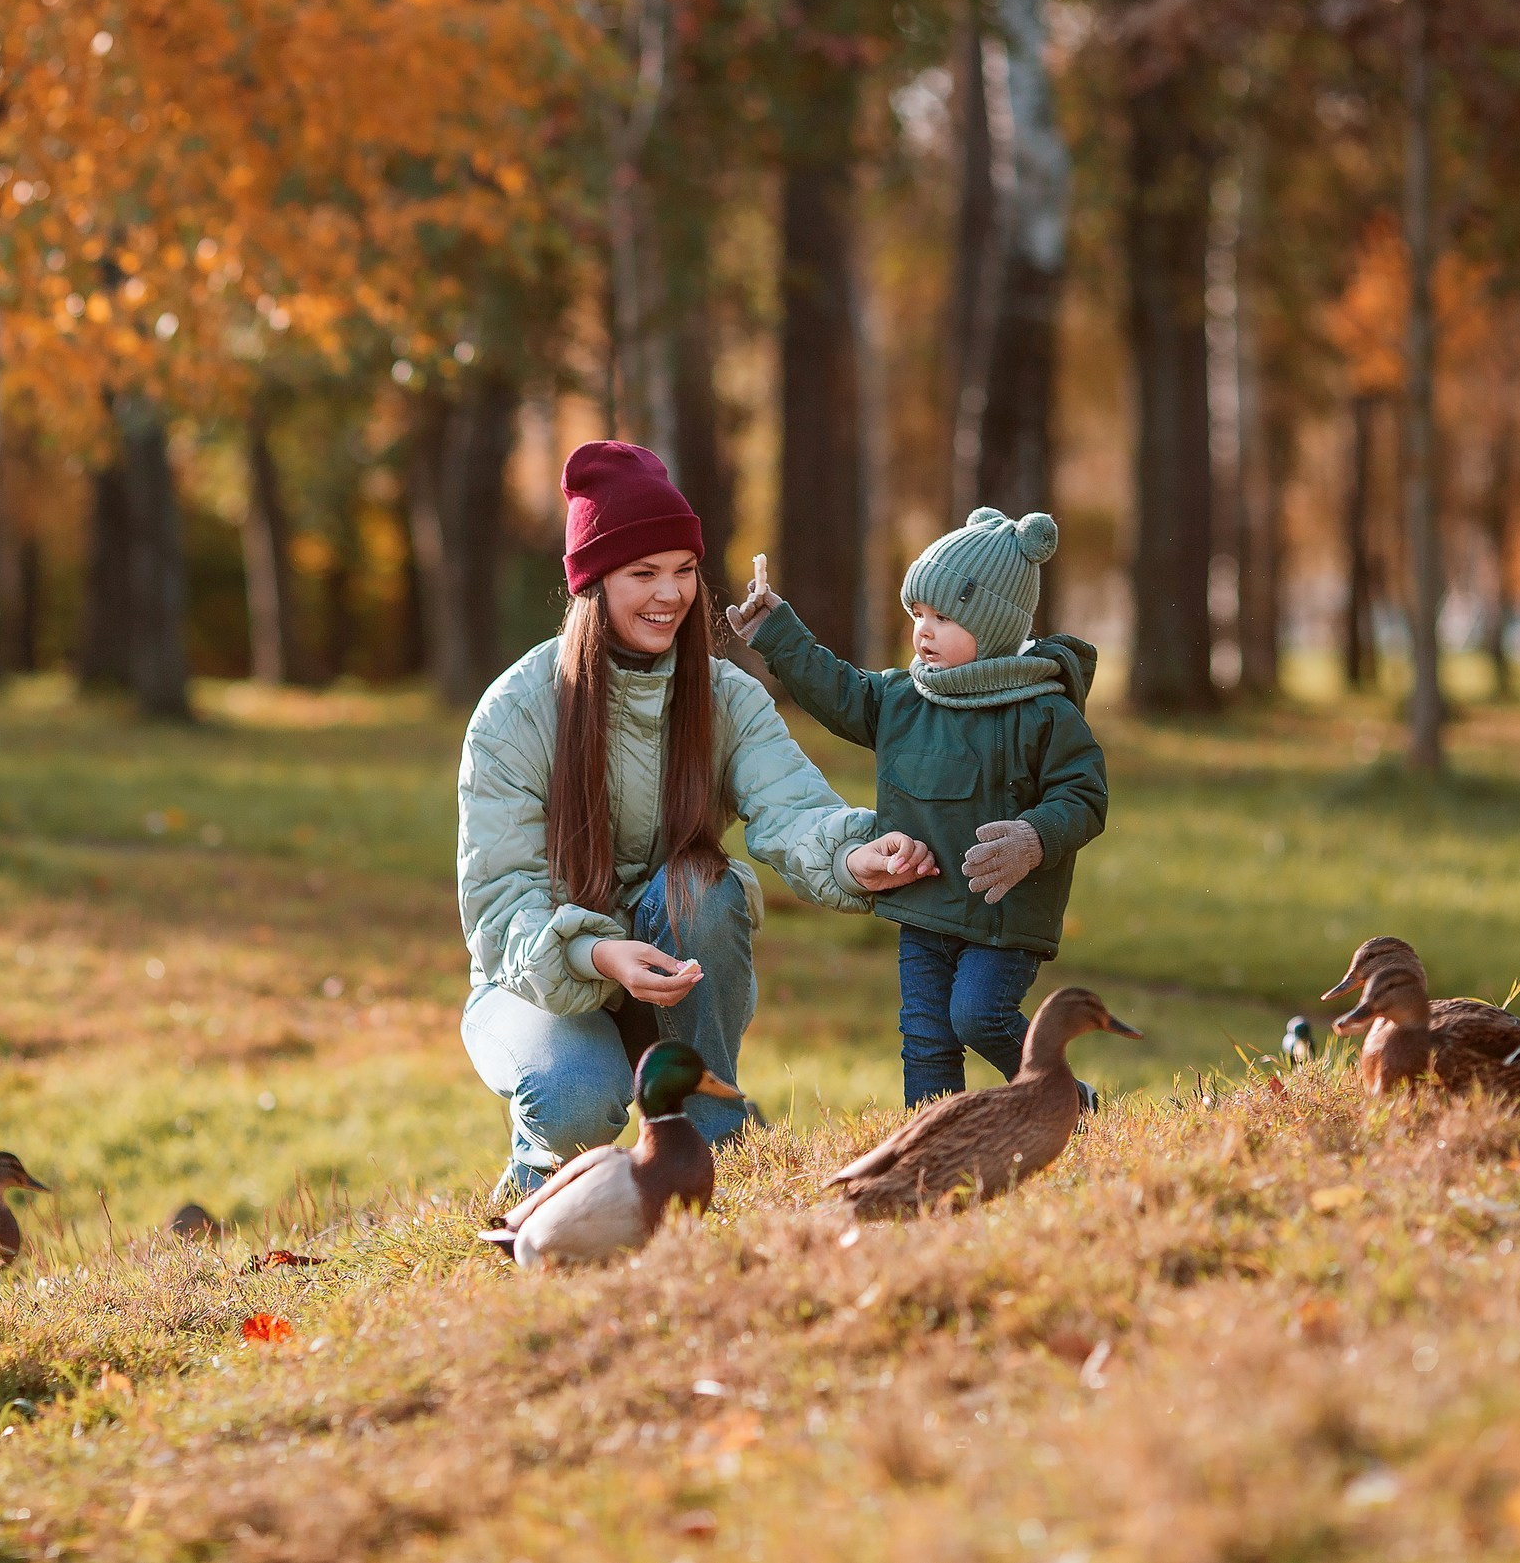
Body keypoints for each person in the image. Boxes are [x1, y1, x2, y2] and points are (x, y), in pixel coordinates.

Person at [457, 441, 938, 1193]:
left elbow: (793, 808)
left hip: (670, 973)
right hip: (535, 982)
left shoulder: (726, 699)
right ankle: (536, 1177)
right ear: (592, 584)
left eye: (684, 570)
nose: (669, 594)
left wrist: (855, 856)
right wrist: (596, 954)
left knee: (705, 886)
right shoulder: (515, 712)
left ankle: (717, 1142)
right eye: (643, 573)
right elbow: (499, 904)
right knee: (577, 1097)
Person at [730, 508, 1107, 1107]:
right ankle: (929, 1145)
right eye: (918, 614)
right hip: (924, 902)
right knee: (927, 1039)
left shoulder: (1042, 712)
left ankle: (1064, 1097)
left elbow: (1084, 795)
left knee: (978, 1016)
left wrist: (1034, 837)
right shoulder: (903, 700)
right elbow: (838, 691)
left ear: (994, 624)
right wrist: (778, 632)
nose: (923, 631)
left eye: (944, 617)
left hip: (1001, 914)